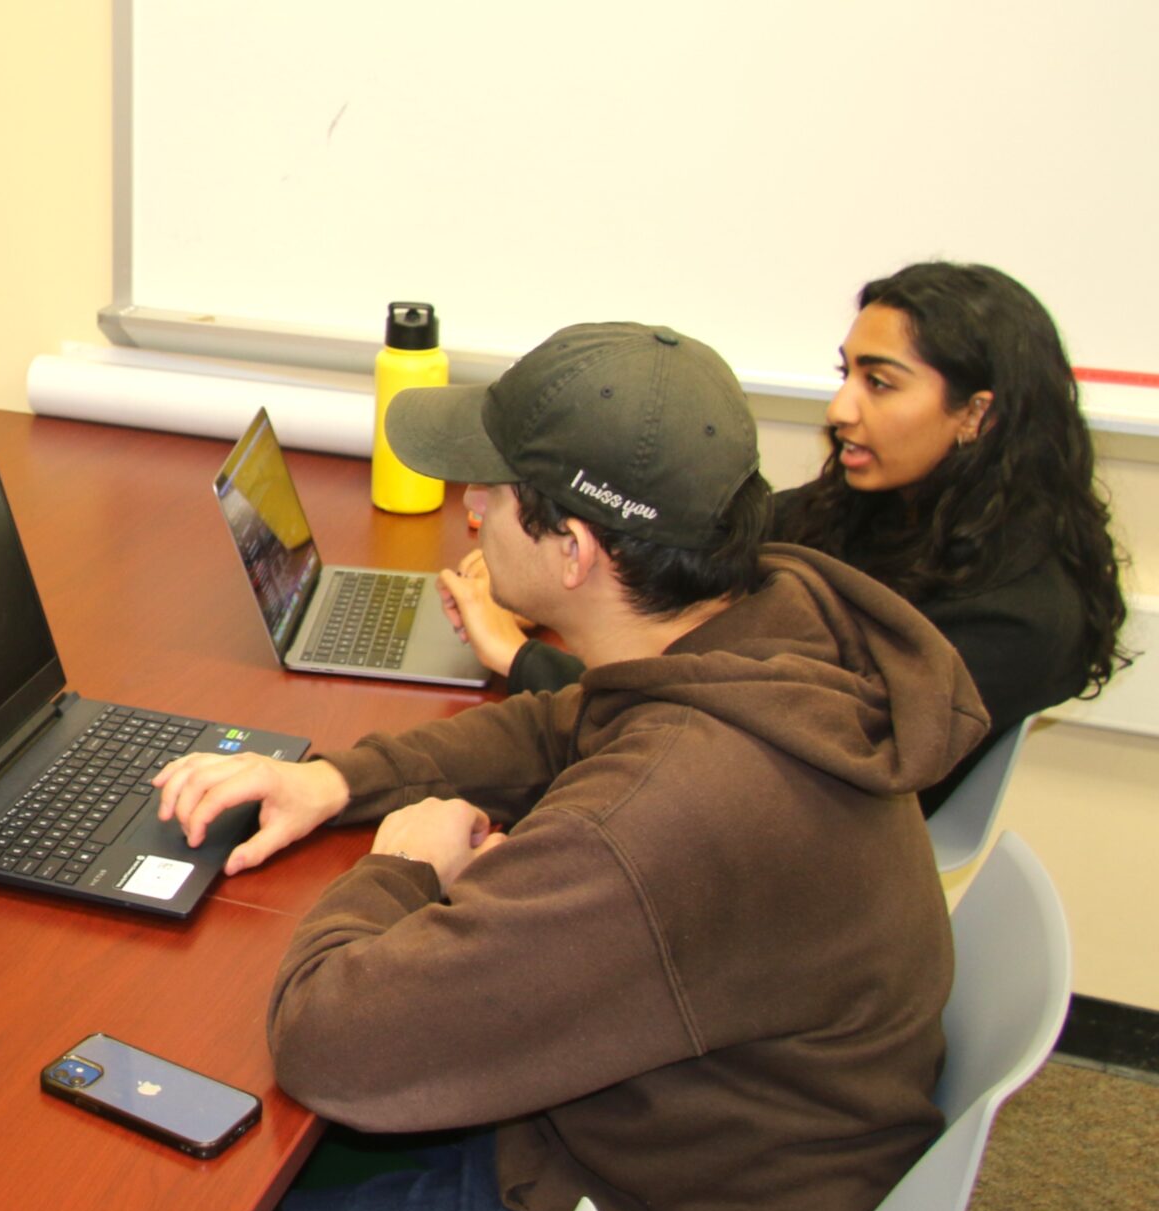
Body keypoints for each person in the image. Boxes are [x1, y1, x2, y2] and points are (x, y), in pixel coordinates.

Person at [153, 323, 985, 1211]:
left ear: (574, 551)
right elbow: (562, 725)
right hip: (724, 1134)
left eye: (493, 492)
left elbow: (326, 1043)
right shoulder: (764, 622)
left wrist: (401, 866)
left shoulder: (652, 820)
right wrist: (338, 780)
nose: (470, 507)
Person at [439, 262, 1130, 812]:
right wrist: (544, 570)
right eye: (847, 374)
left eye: (880, 383)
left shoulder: (1024, 616)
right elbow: (704, 547)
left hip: (801, 836)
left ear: (976, 414)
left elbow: (774, 753)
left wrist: (522, 655)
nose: (841, 408)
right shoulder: (879, 504)